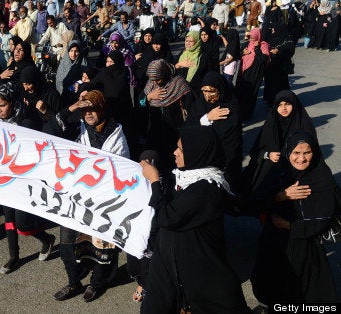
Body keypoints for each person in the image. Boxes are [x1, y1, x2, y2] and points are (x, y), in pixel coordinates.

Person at [139, 126, 249, 313]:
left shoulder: (206, 189)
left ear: (198, 152)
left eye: (181, 149)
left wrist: (155, 182)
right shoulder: (186, 176)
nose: (175, 152)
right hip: (168, 266)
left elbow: (168, 216)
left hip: (198, 275)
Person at [51, 89, 130, 302]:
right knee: (68, 242)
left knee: (102, 244)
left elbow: (118, 169)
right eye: (85, 109)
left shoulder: (117, 135)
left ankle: (97, 283)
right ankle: (74, 282)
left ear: (102, 108)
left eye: (92, 109)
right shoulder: (79, 128)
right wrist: (74, 107)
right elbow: (50, 127)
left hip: (103, 201)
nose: (88, 113)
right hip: (75, 198)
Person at [250, 131, 339, 306]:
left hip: (307, 246)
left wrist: (291, 226)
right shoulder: (277, 172)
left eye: (307, 152)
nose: (301, 159)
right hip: (275, 243)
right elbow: (254, 204)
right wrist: (280, 196)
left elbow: (326, 217)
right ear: (288, 152)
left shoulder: (322, 177)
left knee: (307, 292)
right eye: (296, 153)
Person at [0, 82, 56, 273]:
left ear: (12, 102)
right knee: (8, 217)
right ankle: (13, 256)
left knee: (23, 223)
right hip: (6, 176)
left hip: (25, 179)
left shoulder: (27, 122)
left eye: (2, 106)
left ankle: (46, 239)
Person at [241, 90, 316, 198]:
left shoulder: (304, 124)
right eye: (280, 105)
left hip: (297, 165)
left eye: (287, 104)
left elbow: (313, 152)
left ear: (294, 104)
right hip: (274, 165)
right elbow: (256, 151)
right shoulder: (272, 122)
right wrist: (268, 154)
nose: (284, 108)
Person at [186, 72, 242, 188]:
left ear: (220, 90)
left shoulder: (230, 109)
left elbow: (230, 141)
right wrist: (206, 118)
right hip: (201, 160)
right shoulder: (199, 106)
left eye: (211, 91)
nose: (207, 95)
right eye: (204, 91)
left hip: (222, 162)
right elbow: (188, 129)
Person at [140, 59, 194, 175]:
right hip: (154, 129)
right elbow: (140, 102)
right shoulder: (151, 83)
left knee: (172, 161)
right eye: (153, 80)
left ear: (164, 73)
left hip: (174, 131)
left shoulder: (179, 83)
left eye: (158, 79)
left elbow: (190, 108)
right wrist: (149, 97)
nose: (155, 83)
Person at [236, 27, 269, 121]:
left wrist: (257, 48)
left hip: (255, 74)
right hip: (243, 72)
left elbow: (263, 59)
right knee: (241, 93)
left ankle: (246, 115)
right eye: (251, 37)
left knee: (251, 94)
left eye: (254, 38)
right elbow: (237, 55)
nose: (252, 40)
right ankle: (239, 113)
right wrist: (243, 52)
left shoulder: (264, 45)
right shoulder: (247, 44)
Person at [262, 20, 294, 105]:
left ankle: (282, 101)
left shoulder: (287, 39)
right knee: (270, 84)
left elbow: (290, 51)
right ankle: (271, 100)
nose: (272, 30)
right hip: (270, 67)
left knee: (280, 85)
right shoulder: (270, 38)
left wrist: (278, 51)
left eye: (273, 29)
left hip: (281, 68)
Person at [55, 41, 85, 105]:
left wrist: (71, 88)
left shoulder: (83, 64)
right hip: (60, 97)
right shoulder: (63, 63)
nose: (73, 54)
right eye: (71, 51)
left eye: (76, 51)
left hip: (75, 98)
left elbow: (83, 80)